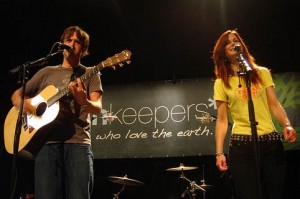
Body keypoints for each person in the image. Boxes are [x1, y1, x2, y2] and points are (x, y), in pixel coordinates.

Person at [11, 26, 103, 199]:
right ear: (62, 44)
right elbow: (17, 95)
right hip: (47, 144)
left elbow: (97, 108)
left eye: (77, 42)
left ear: (83, 49)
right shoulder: (46, 73)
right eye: (68, 40)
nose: (72, 44)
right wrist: (30, 105)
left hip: (78, 143)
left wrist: (84, 101)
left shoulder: (90, 73)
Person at [212, 30, 297, 199]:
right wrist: (219, 152)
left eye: (235, 40)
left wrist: (286, 123)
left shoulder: (261, 73)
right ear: (222, 51)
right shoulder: (221, 82)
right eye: (227, 42)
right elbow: (222, 120)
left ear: (241, 46)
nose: (232, 44)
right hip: (241, 147)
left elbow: (274, 104)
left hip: (270, 144)